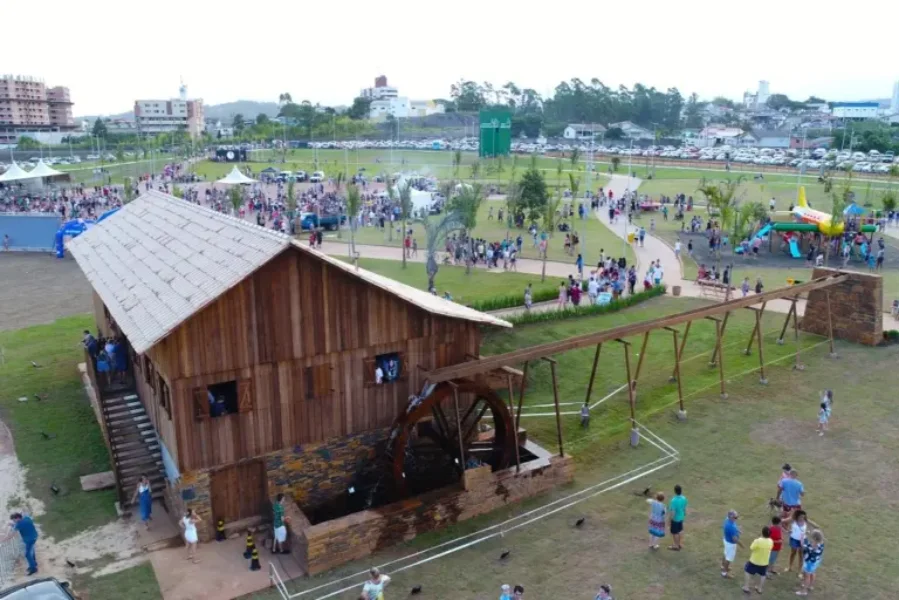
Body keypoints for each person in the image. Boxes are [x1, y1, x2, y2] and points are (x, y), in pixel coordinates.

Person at [743, 526, 773, 594]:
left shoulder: (757, 541)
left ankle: (746, 587)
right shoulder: (771, 541)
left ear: (762, 532)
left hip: (754, 561)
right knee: (762, 575)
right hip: (764, 562)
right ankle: (759, 588)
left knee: (747, 572)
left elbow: (751, 548)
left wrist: (758, 539)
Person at [796, 529, 825, 596]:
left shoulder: (813, 546)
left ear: (815, 538)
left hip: (809, 563)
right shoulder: (821, 543)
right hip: (815, 561)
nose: (811, 538)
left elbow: (803, 546)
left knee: (807, 576)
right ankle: (811, 586)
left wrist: (802, 537)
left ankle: (804, 591)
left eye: (812, 537)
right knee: (812, 572)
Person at [722, 510, 743, 578]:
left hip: (726, 540)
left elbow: (734, 527)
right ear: (730, 517)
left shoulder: (727, 520)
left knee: (725, 553)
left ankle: (723, 566)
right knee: (728, 559)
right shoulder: (731, 527)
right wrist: (741, 545)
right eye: (735, 517)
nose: (736, 518)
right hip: (730, 544)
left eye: (737, 517)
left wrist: (738, 530)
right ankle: (724, 573)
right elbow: (735, 539)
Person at [668, 484, 687, 550]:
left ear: (675, 491)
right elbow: (684, 508)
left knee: (675, 532)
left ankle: (676, 546)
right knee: (680, 530)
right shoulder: (684, 498)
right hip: (681, 517)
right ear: (681, 490)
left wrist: (670, 520)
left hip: (675, 519)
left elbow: (673, 512)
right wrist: (684, 513)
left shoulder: (674, 500)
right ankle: (680, 544)